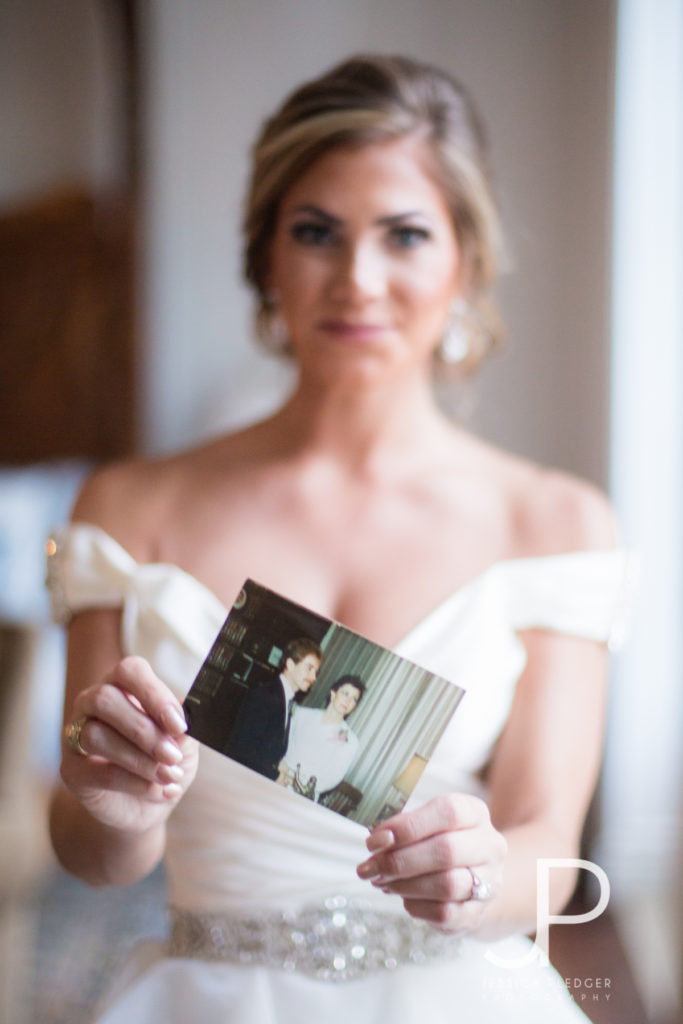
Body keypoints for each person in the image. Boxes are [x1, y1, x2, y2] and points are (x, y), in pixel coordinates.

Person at [47, 54, 631, 1023]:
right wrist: (116, 810)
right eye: (315, 232)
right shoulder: (126, 505)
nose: (357, 280)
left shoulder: (554, 523)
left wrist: (487, 876)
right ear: (264, 259)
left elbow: (549, 850)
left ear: (465, 262)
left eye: (403, 234)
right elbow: (92, 852)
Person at [223, 637, 322, 779]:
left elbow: (267, 748)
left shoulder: (285, 699)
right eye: (309, 668)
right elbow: (243, 751)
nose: (313, 678)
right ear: (290, 664)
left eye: (316, 672)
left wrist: (278, 764)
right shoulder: (265, 696)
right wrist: (274, 776)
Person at [276, 674, 364, 798]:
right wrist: (280, 767)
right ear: (333, 693)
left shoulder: (349, 740)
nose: (348, 701)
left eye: (354, 699)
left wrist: (303, 786)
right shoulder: (302, 714)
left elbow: (335, 776)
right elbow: (281, 744)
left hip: (304, 794)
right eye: (345, 693)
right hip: (278, 777)